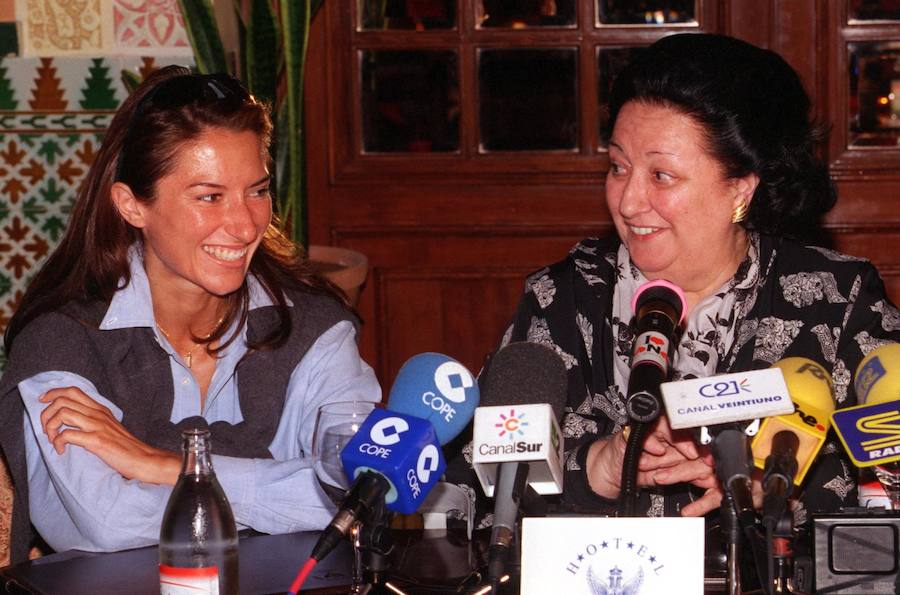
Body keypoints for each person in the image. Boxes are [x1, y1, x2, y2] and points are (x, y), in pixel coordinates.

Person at [466, 34, 900, 528]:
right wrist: (593, 468)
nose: (627, 202)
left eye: (661, 176)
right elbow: (473, 490)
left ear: (740, 189)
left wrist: (780, 486)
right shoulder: (562, 298)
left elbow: (888, 479)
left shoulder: (835, 301)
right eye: (617, 167)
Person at [0, 66, 380, 563]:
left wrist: (164, 466)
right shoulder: (62, 340)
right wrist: (284, 491)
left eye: (257, 191)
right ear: (132, 206)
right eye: (209, 197)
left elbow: (363, 495)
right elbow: (105, 523)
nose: (245, 225)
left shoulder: (315, 326)